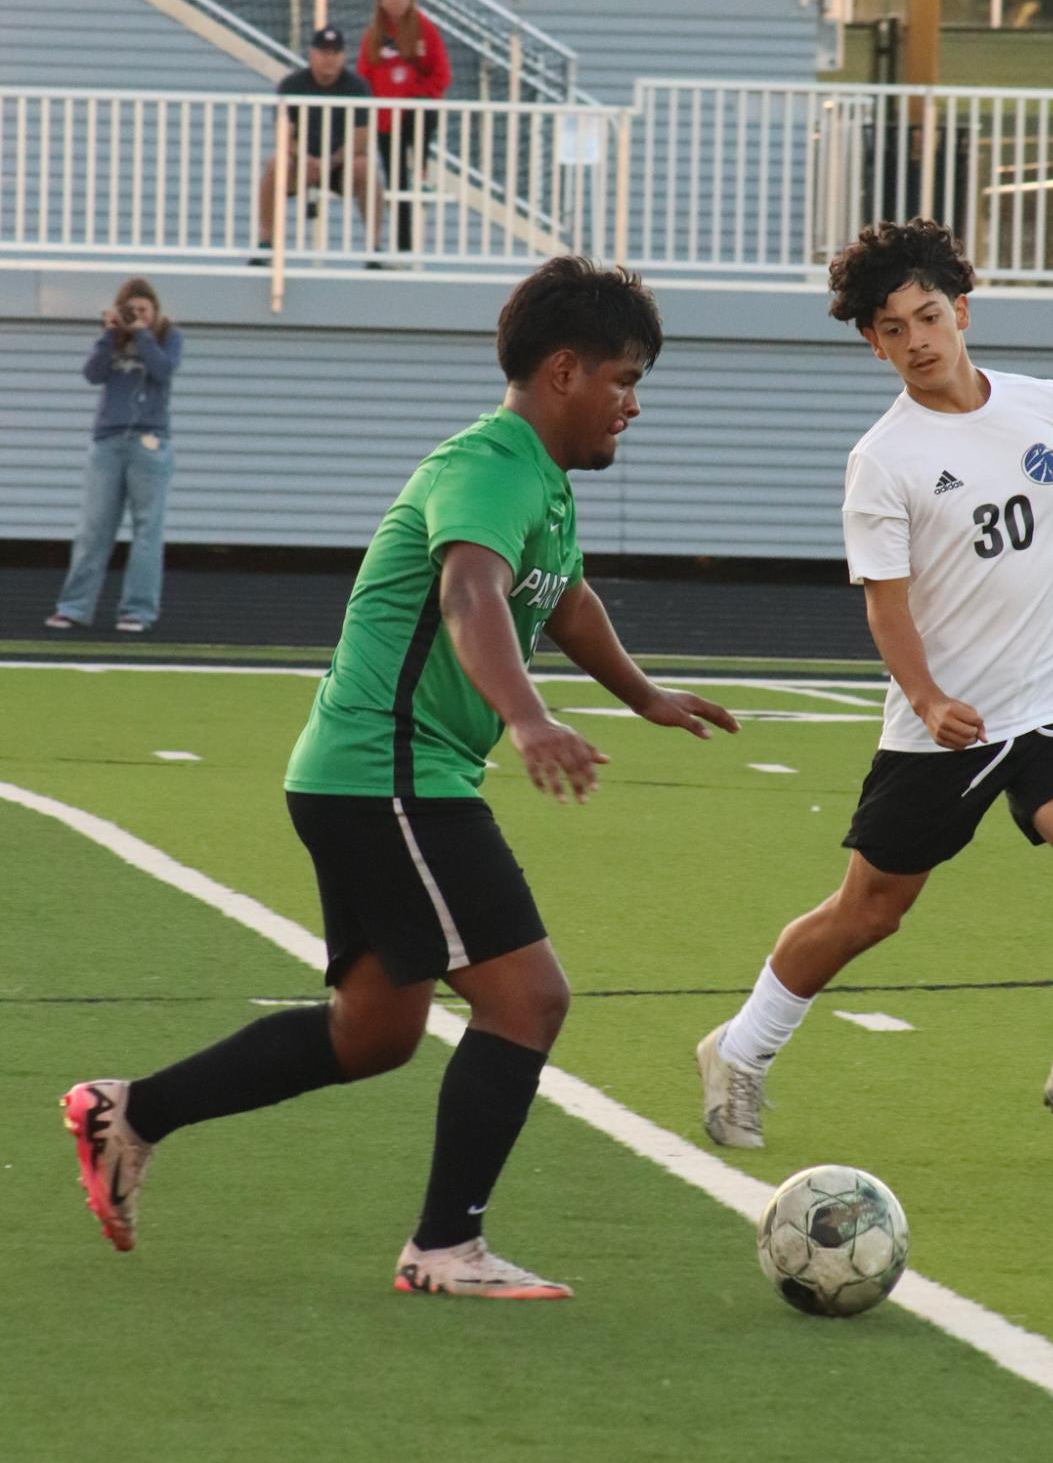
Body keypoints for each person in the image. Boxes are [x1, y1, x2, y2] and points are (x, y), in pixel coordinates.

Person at [60, 256, 740, 1298]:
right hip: (389, 774)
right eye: (622, 377)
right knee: (528, 999)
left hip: (370, 776)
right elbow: (471, 595)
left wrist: (642, 694)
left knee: (374, 1033)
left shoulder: (540, 481)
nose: (632, 404)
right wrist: (525, 717)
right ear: (562, 370)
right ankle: (444, 1248)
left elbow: (561, 604)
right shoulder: (489, 466)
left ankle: (129, 1113)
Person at [697, 218, 1053, 1159]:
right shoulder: (884, 460)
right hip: (944, 727)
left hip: (1051, 703)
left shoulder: (1042, 403)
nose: (916, 341)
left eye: (928, 315)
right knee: (870, 910)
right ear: (873, 342)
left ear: (963, 311)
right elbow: (886, 607)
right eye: (892, 329)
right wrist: (930, 696)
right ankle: (739, 1049)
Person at [45, 278, 182, 636]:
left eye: (144, 311)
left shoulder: (168, 336)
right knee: (93, 529)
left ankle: (137, 611)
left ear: (154, 312)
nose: (137, 316)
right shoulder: (112, 339)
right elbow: (92, 374)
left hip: (149, 442)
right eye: (130, 310)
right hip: (107, 442)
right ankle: (73, 608)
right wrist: (110, 335)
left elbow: (164, 370)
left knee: (147, 530)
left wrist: (143, 335)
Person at [253, 25, 380, 264]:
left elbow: (361, 138)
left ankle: (374, 247)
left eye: (335, 53)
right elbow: (284, 136)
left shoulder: (357, 88)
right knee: (275, 163)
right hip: (301, 164)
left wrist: (329, 162)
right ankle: (266, 242)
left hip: (341, 166)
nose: (329, 59)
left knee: (365, 167)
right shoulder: (292, 85)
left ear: (343, 56)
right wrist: (306, 159)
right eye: (323, 52)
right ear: (312, 54)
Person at [356, 0, 450, 255]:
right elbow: (364, 77)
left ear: (410, 0)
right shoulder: (374, 36)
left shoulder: (424, 30)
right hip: (386, 120)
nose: (396, 1)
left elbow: (441, 73)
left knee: (424, 116)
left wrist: (418, 93)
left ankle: (421, 168)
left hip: (414, 111)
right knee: (396, 181)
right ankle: (403, 244)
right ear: (381, 1)